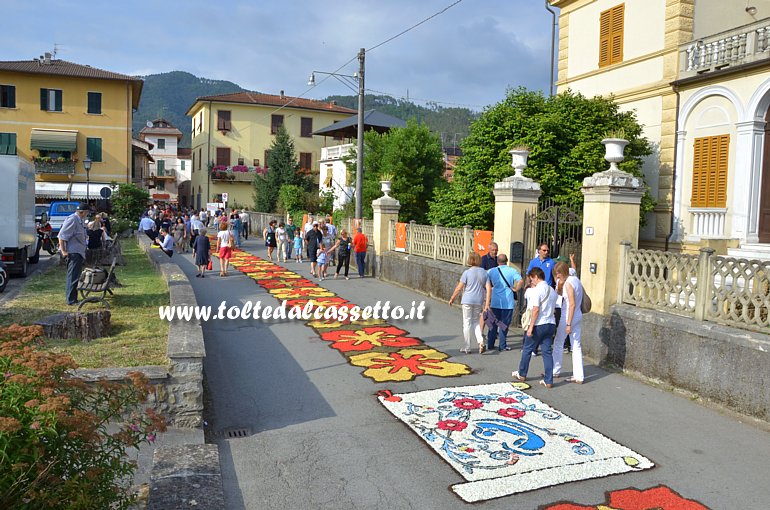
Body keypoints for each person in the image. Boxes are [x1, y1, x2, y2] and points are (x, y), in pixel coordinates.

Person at [512, 267, 558, 388]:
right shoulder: (552, 290)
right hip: (551, 323)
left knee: (527, 349)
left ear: (536, 277)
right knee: (547, 352)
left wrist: (530, 327)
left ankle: (522, 373)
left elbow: (535, 309)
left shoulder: (537, 290)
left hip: (539, 324)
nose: (531, 281)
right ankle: (548, 380)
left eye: (532, 279)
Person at [449, 252, 489, 354]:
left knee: (467, 323)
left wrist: (452, 298)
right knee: (476, 322)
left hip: (467, 300)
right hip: (479, 300)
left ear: (470, 260)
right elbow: (489, 289)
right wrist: (487, 302)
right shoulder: (485, 273)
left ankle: (467, 347)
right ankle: (480, 341)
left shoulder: (467, 273)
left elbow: (459, 287)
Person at [552, 261, 585, 384]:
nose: (557, 277)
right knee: (576, 345)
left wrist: (568, 324)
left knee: (558, 342)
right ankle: (579, 376)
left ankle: (555, 369)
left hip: (568, 316)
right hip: (578, 315)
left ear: (561, 273)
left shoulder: (568, 284)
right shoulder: (575, 279)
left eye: (557, 275)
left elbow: (571, 304)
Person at [484, 253, 523, 352]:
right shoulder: (512, 271)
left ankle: (490, 344)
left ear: (497, 261)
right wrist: (515, 289)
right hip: (508, 302)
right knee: (504, 324)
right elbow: (521, 281)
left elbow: (485, 281)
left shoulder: (491, 271)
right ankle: (502, 345)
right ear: (507, 261)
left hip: (495, 301)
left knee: (493, 323)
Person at [59, 203, 90, 305]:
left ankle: (73, 298)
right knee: (72, 277)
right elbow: (62, 236)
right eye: (87, 212)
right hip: (73, 253)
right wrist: (63, 251)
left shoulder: (79, 220)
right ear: (84, 212)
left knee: (75, 276)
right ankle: (71, 300)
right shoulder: (72, 219)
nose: (87, 214)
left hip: (79, 252)